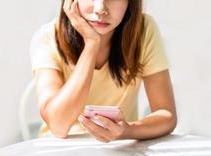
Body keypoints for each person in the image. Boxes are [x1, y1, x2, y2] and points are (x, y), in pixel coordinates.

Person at [30, 0, 177, 142]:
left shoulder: (142, 30)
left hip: (119, 148)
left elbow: (167, 115)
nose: (100, 8)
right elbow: (58, 126)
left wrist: (128, 131)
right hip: (60, 151)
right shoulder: (47, 37)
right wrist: (92, 44)